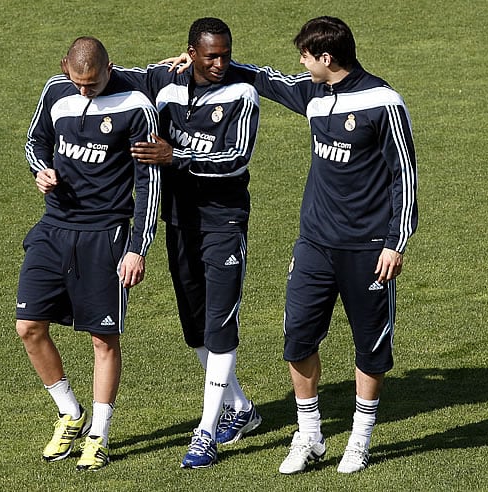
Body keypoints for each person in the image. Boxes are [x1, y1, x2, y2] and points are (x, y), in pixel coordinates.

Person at [167, 14, 418, 474]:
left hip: (369, 248)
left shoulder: (383, 102)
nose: (300, 65)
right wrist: (200, 64)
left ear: (326, 58)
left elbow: (405, 174)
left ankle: (359, 441)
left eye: (305, 57)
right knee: (298, 340)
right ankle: (310, 435)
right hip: (314, 246)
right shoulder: (314, 94)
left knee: (370, 347)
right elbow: (263, 79)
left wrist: (395, 242)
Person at [116, 17, 262, 468]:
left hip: (223, 221)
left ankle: (205, 431)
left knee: (220, 323)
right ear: (191, 52)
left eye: (226, 54)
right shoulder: (166, 81)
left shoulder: (242, 94)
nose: (221, 63)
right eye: (211, 55)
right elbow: (112, 74)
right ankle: (241, 409)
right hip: (178, 219)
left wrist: (176, 156)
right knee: (195, 325)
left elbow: (235, 158)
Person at [16, 36, 160, 471]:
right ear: (66, 68)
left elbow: (149, 183)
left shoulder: (136, 106)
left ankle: (99, 433)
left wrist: (137, 249)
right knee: (28, 326)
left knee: (103, 338)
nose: (84, 91)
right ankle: (69, 414)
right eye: (77, 83)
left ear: (109, 68)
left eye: (93, 84)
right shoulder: (55, 90)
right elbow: (34, 140)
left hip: (105, 235)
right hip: (54, 228)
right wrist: (40, 169)